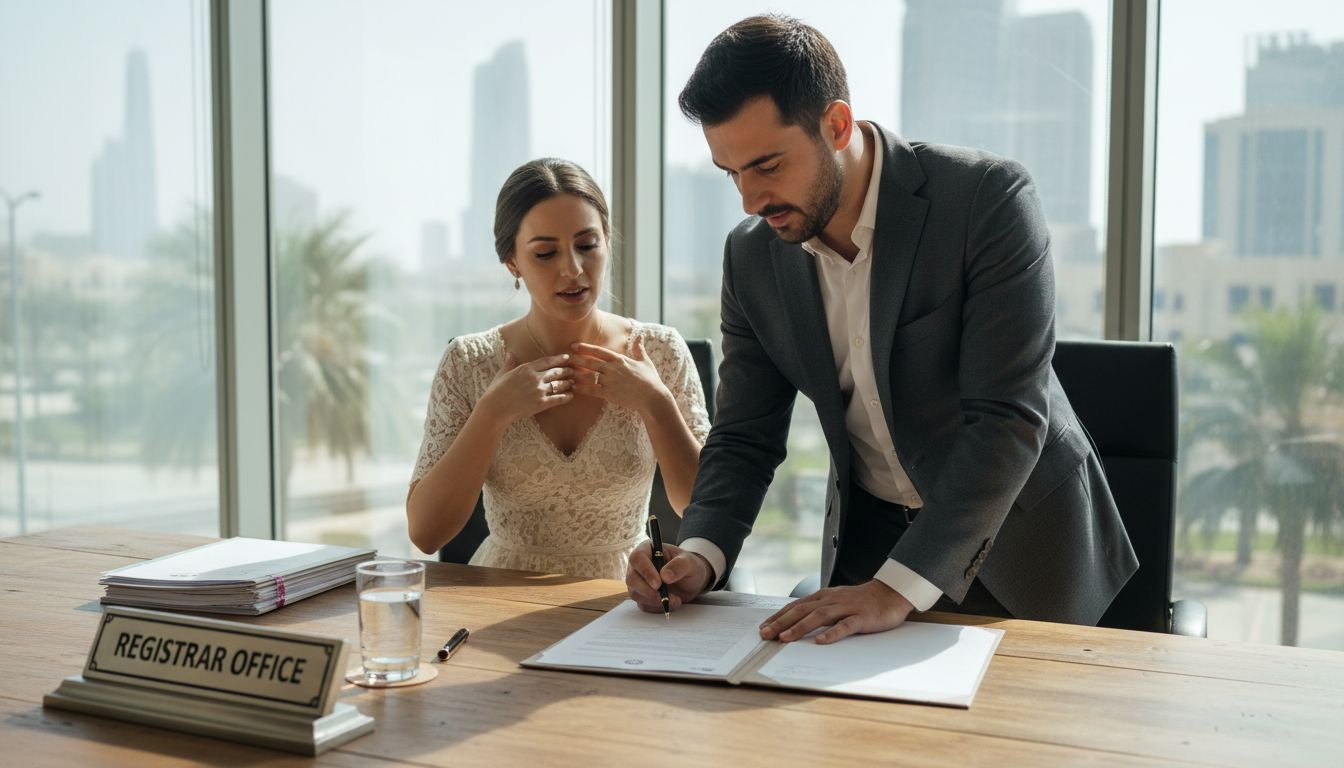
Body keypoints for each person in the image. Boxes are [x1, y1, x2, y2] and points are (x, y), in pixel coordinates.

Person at [626, 15, 1138, 642]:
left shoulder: (985, 200)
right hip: (865, 554)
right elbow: (744, 436)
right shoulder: (753, 255)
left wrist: (897, 589)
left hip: (1018, 550)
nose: (750, 201)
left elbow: (1007, 421)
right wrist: (699, 554)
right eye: (731, 173)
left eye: (768, 166)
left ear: (837, 125)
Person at [408, 158, 710, 580]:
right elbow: (426, 533)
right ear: (512, 261)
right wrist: (492, 413)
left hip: (626, 593)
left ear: (607, 241)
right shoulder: (468, 363)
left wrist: (656, 403)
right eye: (546, 253)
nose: (572, 269)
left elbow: (704, 508)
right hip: (500, 594)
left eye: (587, 245)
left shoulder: (660, 352)